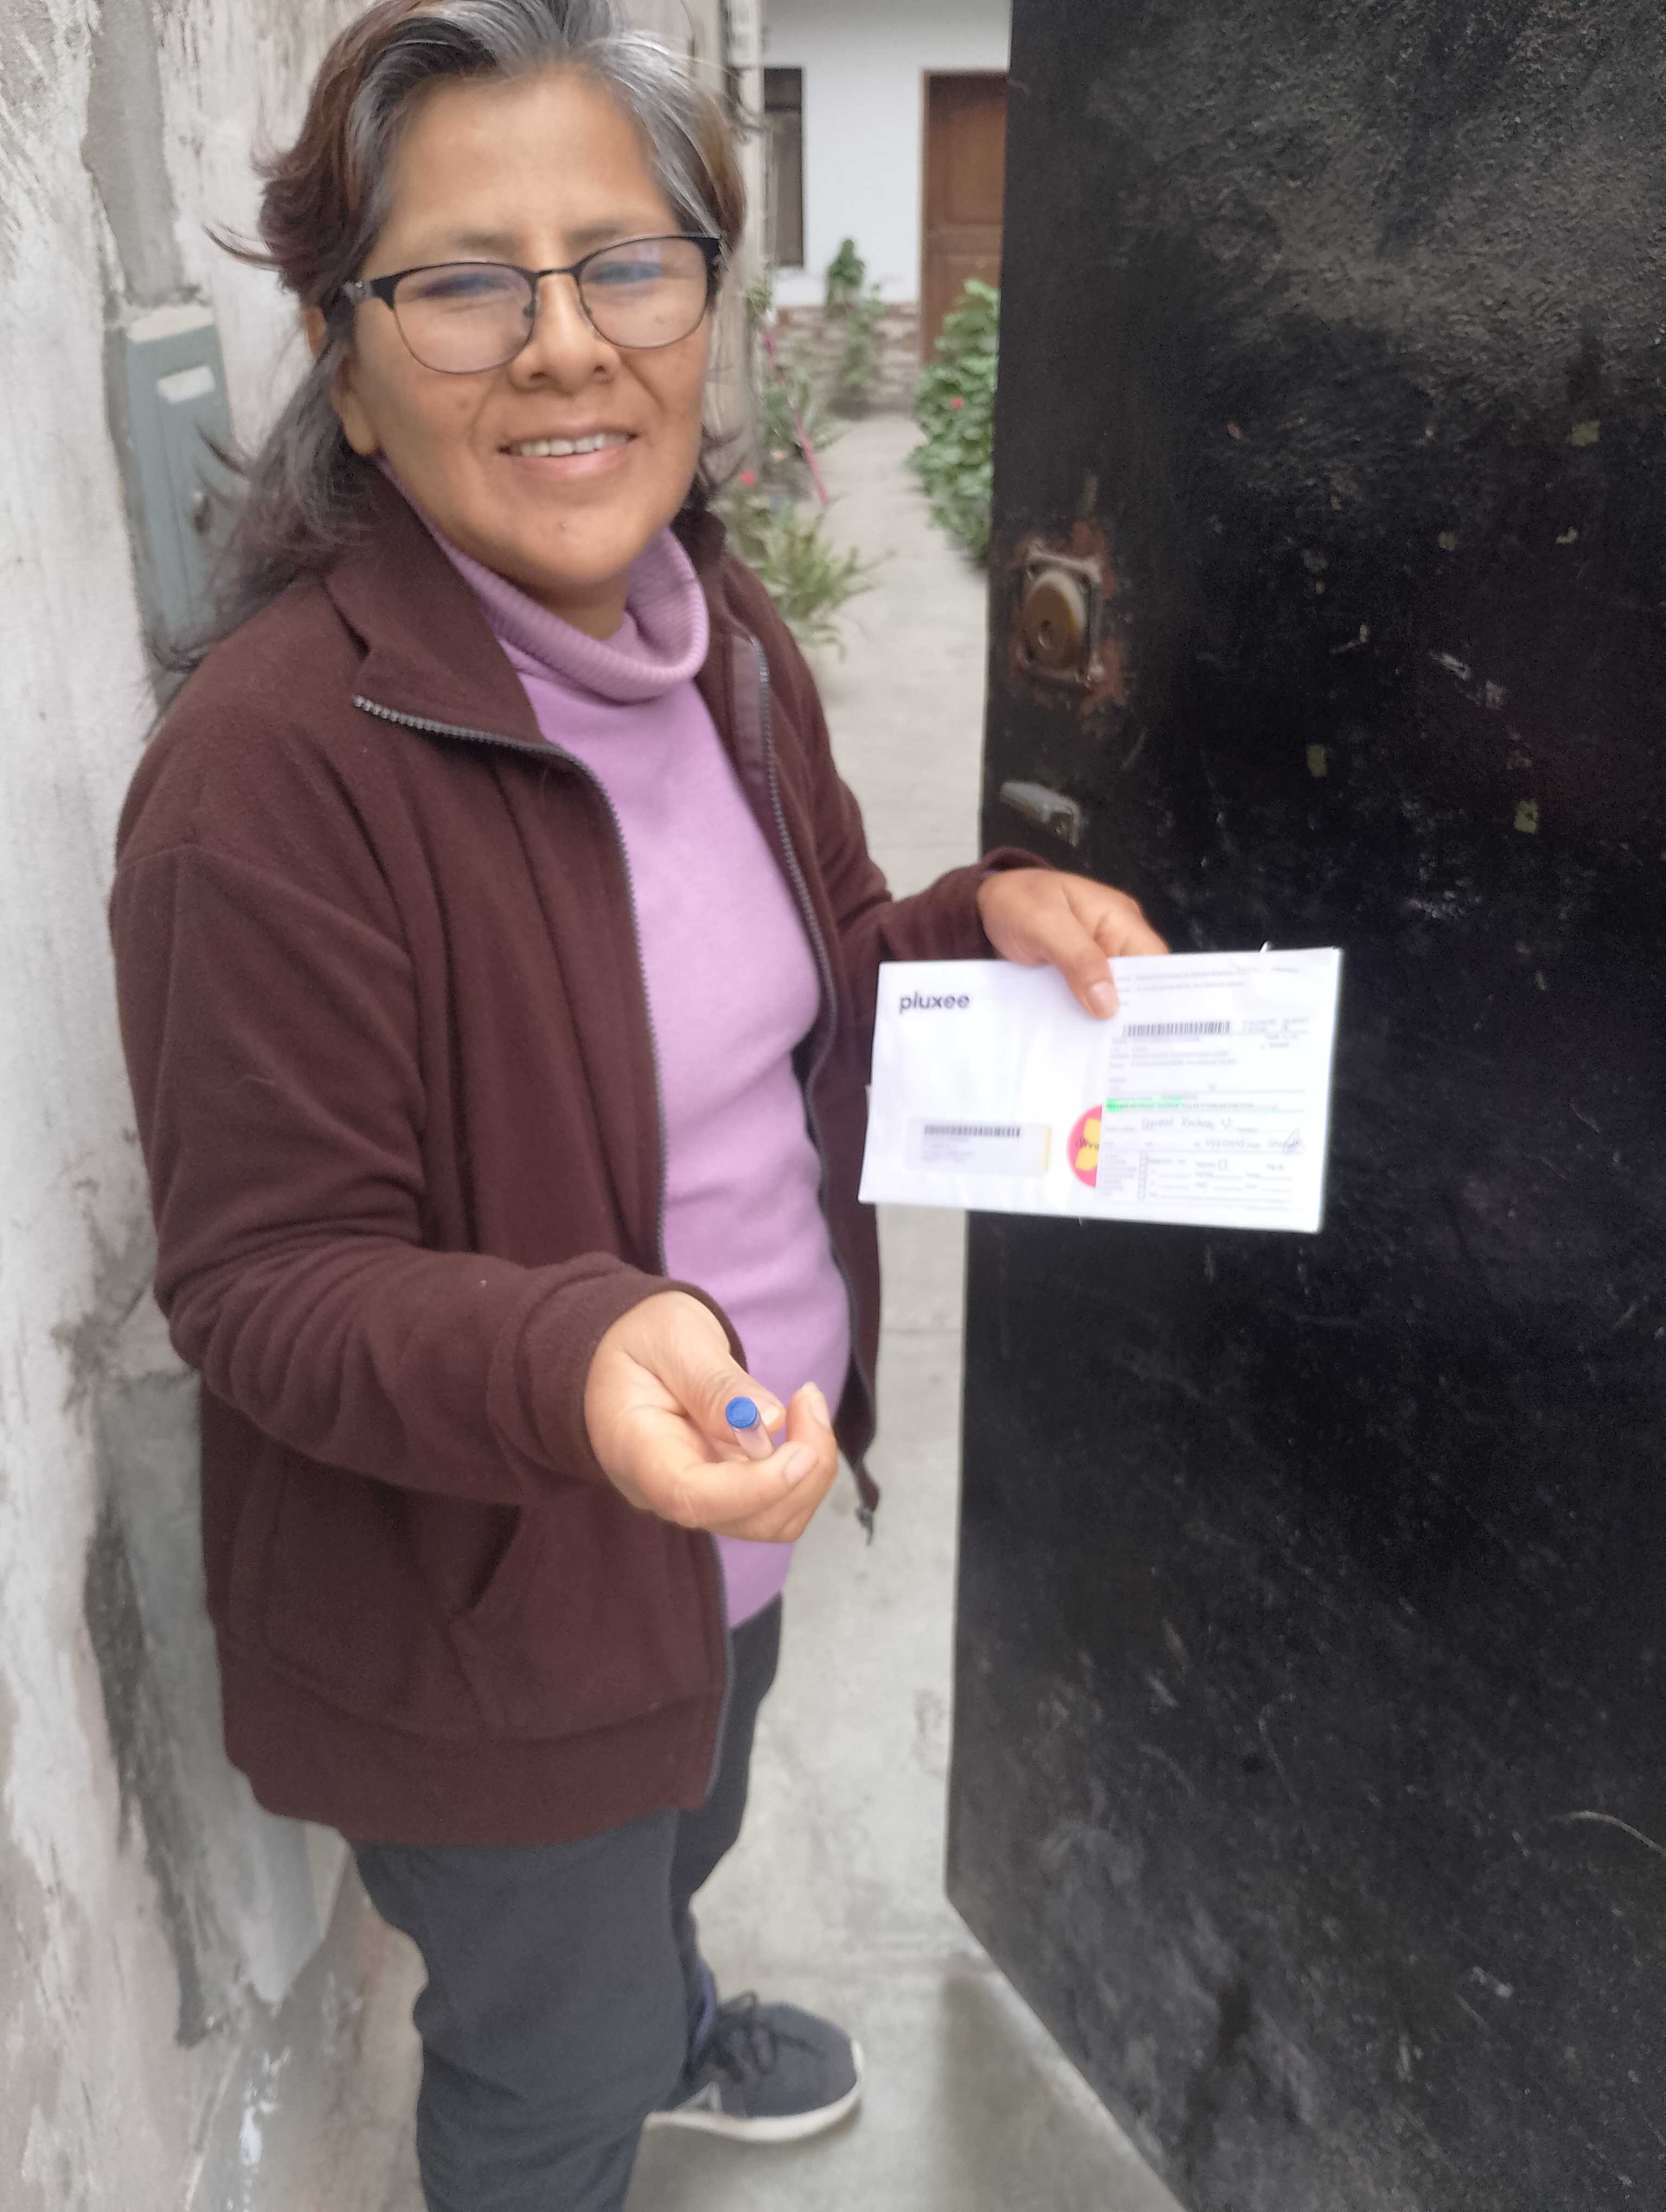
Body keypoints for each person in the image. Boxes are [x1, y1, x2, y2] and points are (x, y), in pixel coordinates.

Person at [108, 3, 1167, 2206]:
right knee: (544, 2065)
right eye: (466, 283)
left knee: (691, 1824)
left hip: (728, 1513)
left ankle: (664, 2016)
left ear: (702, 303)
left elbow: (803, 975)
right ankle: (602, 2079)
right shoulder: (267, 775)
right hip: (495, 1603)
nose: (567, 344)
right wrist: (578, 1355)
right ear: (346, 361)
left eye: (625, 265)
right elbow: (265, 1283)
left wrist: (975, 929)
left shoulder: (722, 640)